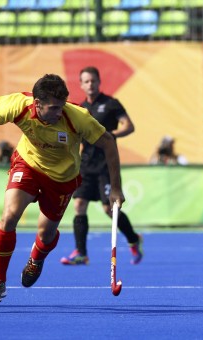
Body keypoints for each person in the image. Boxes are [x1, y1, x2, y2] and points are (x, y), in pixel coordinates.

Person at [0, 74, 125, 304]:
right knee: (9, 216)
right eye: (53, 108)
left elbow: (108, 143)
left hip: (62, 178)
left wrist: (116, 188)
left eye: (61, 107)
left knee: (46, 234)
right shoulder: (16, 105)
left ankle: (36, 258)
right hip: (28, 164)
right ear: (37, 103)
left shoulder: (77, 117)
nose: (59, 113)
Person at [60, 66, 143, 266]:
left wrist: (112, 136)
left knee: (109, 209)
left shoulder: (111, 104)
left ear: (99, 82)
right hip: (86, 164)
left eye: (93, 81)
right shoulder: (79, 109)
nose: (90, 85)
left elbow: (129, 126)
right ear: (81, 85)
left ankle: (133, 239)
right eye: (86, 81)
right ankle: (81, 252)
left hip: (106, 163)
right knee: (79, 204)